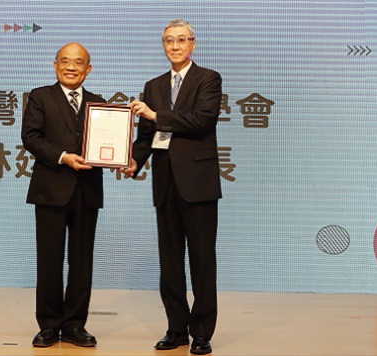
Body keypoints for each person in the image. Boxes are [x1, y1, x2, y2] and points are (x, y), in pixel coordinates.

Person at [121, 19, 222, 355]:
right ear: (163, 45)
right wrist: (135, 160)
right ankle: (176, 328)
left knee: (202, 260)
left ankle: (203, 332)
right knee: (170, 262)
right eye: (168, 41)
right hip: (165, 184)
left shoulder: (208, 79)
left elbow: (201, 119)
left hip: (198, 184)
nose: (175, 46)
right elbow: (147, 137)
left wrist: (155, 114)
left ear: (193, 44)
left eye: (181, 40)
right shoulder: (154, 85)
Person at [21, 42, 106, 348]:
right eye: (66, 61)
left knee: (82, 262)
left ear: (88, 69)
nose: (72, 67)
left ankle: (74, 325)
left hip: (87, 191)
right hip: (50, 190)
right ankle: (48, 325)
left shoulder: (99, 104)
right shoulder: (41, 97)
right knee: (49, 261)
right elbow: (30, 137)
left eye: (79, 62)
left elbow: (108, 143)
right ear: (55, 65)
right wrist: (63, 156)